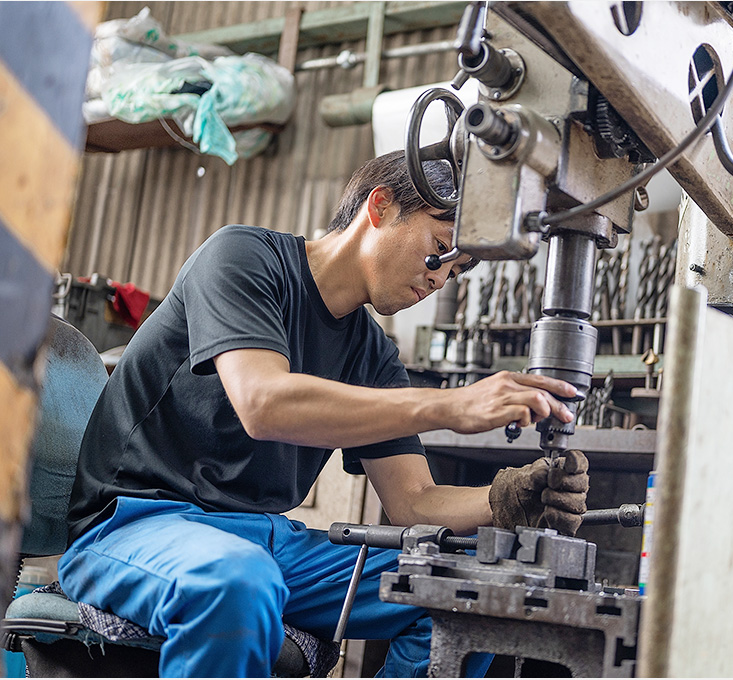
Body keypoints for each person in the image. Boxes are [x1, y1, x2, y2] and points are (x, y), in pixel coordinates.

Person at [58, 151, 590, 678]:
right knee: (237, 582)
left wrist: (506, 499)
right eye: (440, 249)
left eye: (455, 271)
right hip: (135, 524)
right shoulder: (242, 259)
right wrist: (450, 405)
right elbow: (264, 403)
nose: (439, 280)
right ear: (379, 207)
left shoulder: (372, 355)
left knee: (475, 587)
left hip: (267, 539)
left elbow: (413, 502)